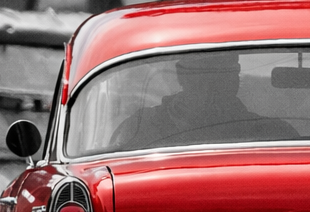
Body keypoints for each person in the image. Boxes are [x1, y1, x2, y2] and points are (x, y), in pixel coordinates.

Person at [110, 51, 296, 150]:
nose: (209, 92)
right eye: (200, 80)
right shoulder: (139, 128)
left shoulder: (273, 133)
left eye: (219, 79)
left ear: (234, 81)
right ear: (181, 77)